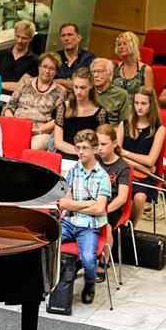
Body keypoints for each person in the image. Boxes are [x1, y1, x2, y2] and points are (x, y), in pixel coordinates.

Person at [58, 129, 111, 304]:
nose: (80, 152)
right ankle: (51, 280)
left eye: (85, 148)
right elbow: (64, 203)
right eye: (78, 147)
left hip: (89, 227)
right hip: (68, 222)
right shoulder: (72, 172)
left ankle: (89, 283)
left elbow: (100, 209)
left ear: (95, 150)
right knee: (47, 242)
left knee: (88, 259)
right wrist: (90, 203)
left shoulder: (103, 177)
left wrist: (77, 205)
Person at [120, 87, 166, 226]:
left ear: (151, 105)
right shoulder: (124, 124)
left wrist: (125, 153)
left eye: (143, 104)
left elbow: (151, 160)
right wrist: (140, 165)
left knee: (139, 198)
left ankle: (131, 229)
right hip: (124, 171)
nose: (139, 107)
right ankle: (119, 225)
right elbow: (116, 154)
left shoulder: (159, 129)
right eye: (136, 103)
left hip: (146, 177)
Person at [4, 51, 67, 150]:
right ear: (39, 67)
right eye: (44, 66)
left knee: (32, 147)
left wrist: (37, 131)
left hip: (40, 132)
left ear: (56, 72)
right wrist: (14, 125)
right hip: (16, 126)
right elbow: (9, 106)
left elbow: (58, 120)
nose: (47, 71)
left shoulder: (60, 92)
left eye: (52, 68)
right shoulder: (25, 83)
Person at [96, 124, 130, 282]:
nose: (100, 148)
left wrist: (104, 210)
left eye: (104, 144)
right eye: (97, 144)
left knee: (106, 226)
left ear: (115, 143)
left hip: (112, 207)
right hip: (93, 202)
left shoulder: (122, 167)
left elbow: (122, 198)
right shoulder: (93, 159)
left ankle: (104, 261)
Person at [54, 68, 108, 163]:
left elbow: (101, 142)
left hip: (89, 158)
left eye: (83, 87)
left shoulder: (100, 112)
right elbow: (58, 143)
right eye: (76, 87)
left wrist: (85, 154)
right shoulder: (63, 107)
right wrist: (80, 151)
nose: (78, 91)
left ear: (91, 86)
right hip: (65, 156)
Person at [0, 20, 39, 92]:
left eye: (24, 38)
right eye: (18, 36)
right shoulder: (0, 55)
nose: (19, 41)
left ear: (31, 39)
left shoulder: (34, 60)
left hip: (18, 99)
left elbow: (20, 85)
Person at [113, 31, 154, 100]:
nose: (121, 47)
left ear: (133, 45)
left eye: (125, 44)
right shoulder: (115, 67)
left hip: (136, 108)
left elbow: (148, 98)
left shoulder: (146, 69)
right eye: (119, 44)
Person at [91, 57, 130, 128]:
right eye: (93, 72)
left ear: (110, 74)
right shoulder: (87, 92)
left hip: (112, 133)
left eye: (100, 71)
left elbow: (125, 123)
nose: (96, 75)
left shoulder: (120, 94)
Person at [55, 23, 96, 90]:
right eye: (63, 35)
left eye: (70, 35)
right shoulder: (55, 57)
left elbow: (87, 84)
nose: (66, 38)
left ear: (79, 38)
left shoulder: (89, 58)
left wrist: (59, 81)